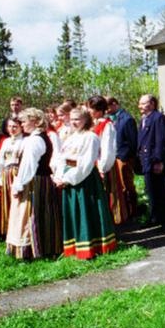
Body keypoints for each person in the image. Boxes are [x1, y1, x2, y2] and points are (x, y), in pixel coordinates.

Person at [52, 106, 116, 259]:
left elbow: (86, 163)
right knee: (74, 212)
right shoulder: (70, 138)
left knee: (86, 212)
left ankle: (92, 247)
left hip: (84, 180)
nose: (74, 122)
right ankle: (75, 247)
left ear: (86, 120)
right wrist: (59, 176)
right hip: (68, 178)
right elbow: (62, 158)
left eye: (77, 119)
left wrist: (67, 179)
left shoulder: (90, 137)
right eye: (72, 119)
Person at [7, 108, 62, 259]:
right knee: (42, 214)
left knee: (31, 216)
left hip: (34, 182)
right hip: (41, 180)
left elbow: (29, 166)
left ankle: (31, 250)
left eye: (24, 121)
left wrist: (19, 185)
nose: (22, 124)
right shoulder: (39, 137)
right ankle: (46, 247)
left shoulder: (35, 140)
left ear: (36, 122)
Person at [87, 95, 128, 225]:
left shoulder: (107, 125)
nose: (88, 111)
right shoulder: (92, 124)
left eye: (91, 108)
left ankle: (112, 222)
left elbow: (108, 148)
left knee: (108, 193)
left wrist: (103, 167)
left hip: (104, 165)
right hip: (92, 164)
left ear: (98, 110)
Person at [137, 94, 165, 230]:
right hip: (147, 160)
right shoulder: (144, 119)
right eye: (140, 103)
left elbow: (161, 141)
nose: (140, 106)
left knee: (162, 191)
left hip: (156, 161)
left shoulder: (158, 118)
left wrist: (159, 161)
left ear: (152, 104)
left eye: (143, 103)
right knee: (151, 191)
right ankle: (155, 217)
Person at [107, 96, 139, 219]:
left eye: (107, 107)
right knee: (118, 186)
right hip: (114, 157)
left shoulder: (127, 119)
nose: (106, 110)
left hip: (123, 158)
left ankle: (133, 211)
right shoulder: (109, 119)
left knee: (127, 184)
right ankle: (123, 211)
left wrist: (125, 158)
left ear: (114, 104)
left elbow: (133, 141)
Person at [0, 116, 24, 237]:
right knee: (6, 201)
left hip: (18, 173)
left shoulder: (24, 140)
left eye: (15, 126)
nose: (12, 129)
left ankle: (18, 230)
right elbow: (0, 161)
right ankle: (7, 231)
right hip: (6, 173)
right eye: (10, 126)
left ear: (21, 127)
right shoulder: (6, 141)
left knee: (18, 201)